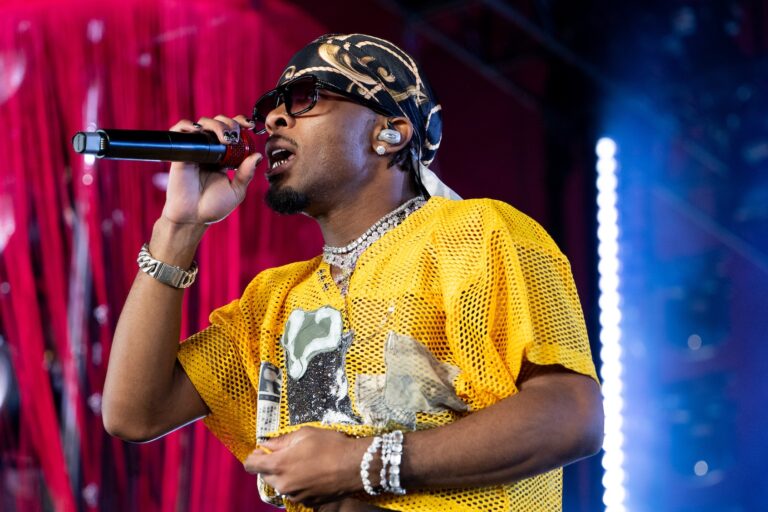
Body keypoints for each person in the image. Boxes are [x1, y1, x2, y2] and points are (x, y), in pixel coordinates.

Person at [103, 33, 604, 512]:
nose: (274, 117)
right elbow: (135, 413)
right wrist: (180, 226)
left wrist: (360, 465)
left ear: (391, 132)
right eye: (270, 107)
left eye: (303, 97)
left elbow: (571, 415)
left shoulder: (479, 233)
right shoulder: (275, 298)